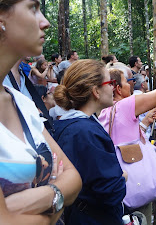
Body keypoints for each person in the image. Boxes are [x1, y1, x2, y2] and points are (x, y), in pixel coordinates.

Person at [0, 0, 81, 223]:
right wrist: (56, 204)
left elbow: (74, 176)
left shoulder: (20, 102)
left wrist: (50, 196)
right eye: (33, 8)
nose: (45, 21)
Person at [98, 55, 156, 223]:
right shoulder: (123, 106)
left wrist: (145, 122)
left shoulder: (106, 111)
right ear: (117, 88)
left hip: (121, 189)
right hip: (136, 191)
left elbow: (125, 138)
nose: (130, 85)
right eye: (127, 82)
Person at [53, 59, 127, 225]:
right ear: (96, 91)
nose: (113, 88)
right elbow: (110, 191)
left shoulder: (71, 124)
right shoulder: (84, 132)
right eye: (110, 82)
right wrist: (123, 178)